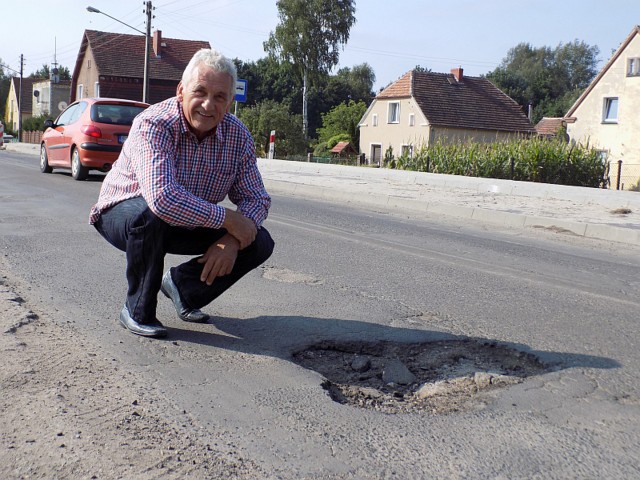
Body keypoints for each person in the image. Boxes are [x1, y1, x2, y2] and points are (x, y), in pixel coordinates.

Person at [89, 48, 274, 338]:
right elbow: (162, 198)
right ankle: (136, 310)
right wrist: (227, 220)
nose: (208, 105)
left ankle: (183, 288)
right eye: (200, 92)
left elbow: (257, 199)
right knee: (150, 215)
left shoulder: (237, 136)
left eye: (219, 97)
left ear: (229, 102)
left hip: (183, 220)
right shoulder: (153, 124)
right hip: (125, 214)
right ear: (181, 91)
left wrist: (232, 240)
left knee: (258, 240)